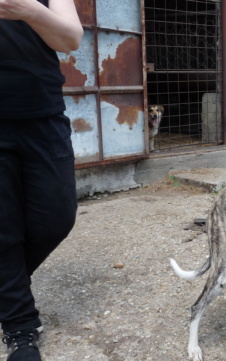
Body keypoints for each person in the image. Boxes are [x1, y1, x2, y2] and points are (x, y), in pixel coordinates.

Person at [0, 0, 83, 360]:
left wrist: (30, 11)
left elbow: (71, 40)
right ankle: (20, 326)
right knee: (3, 230)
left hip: (43, 114)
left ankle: (8, 288)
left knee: (56, 218)